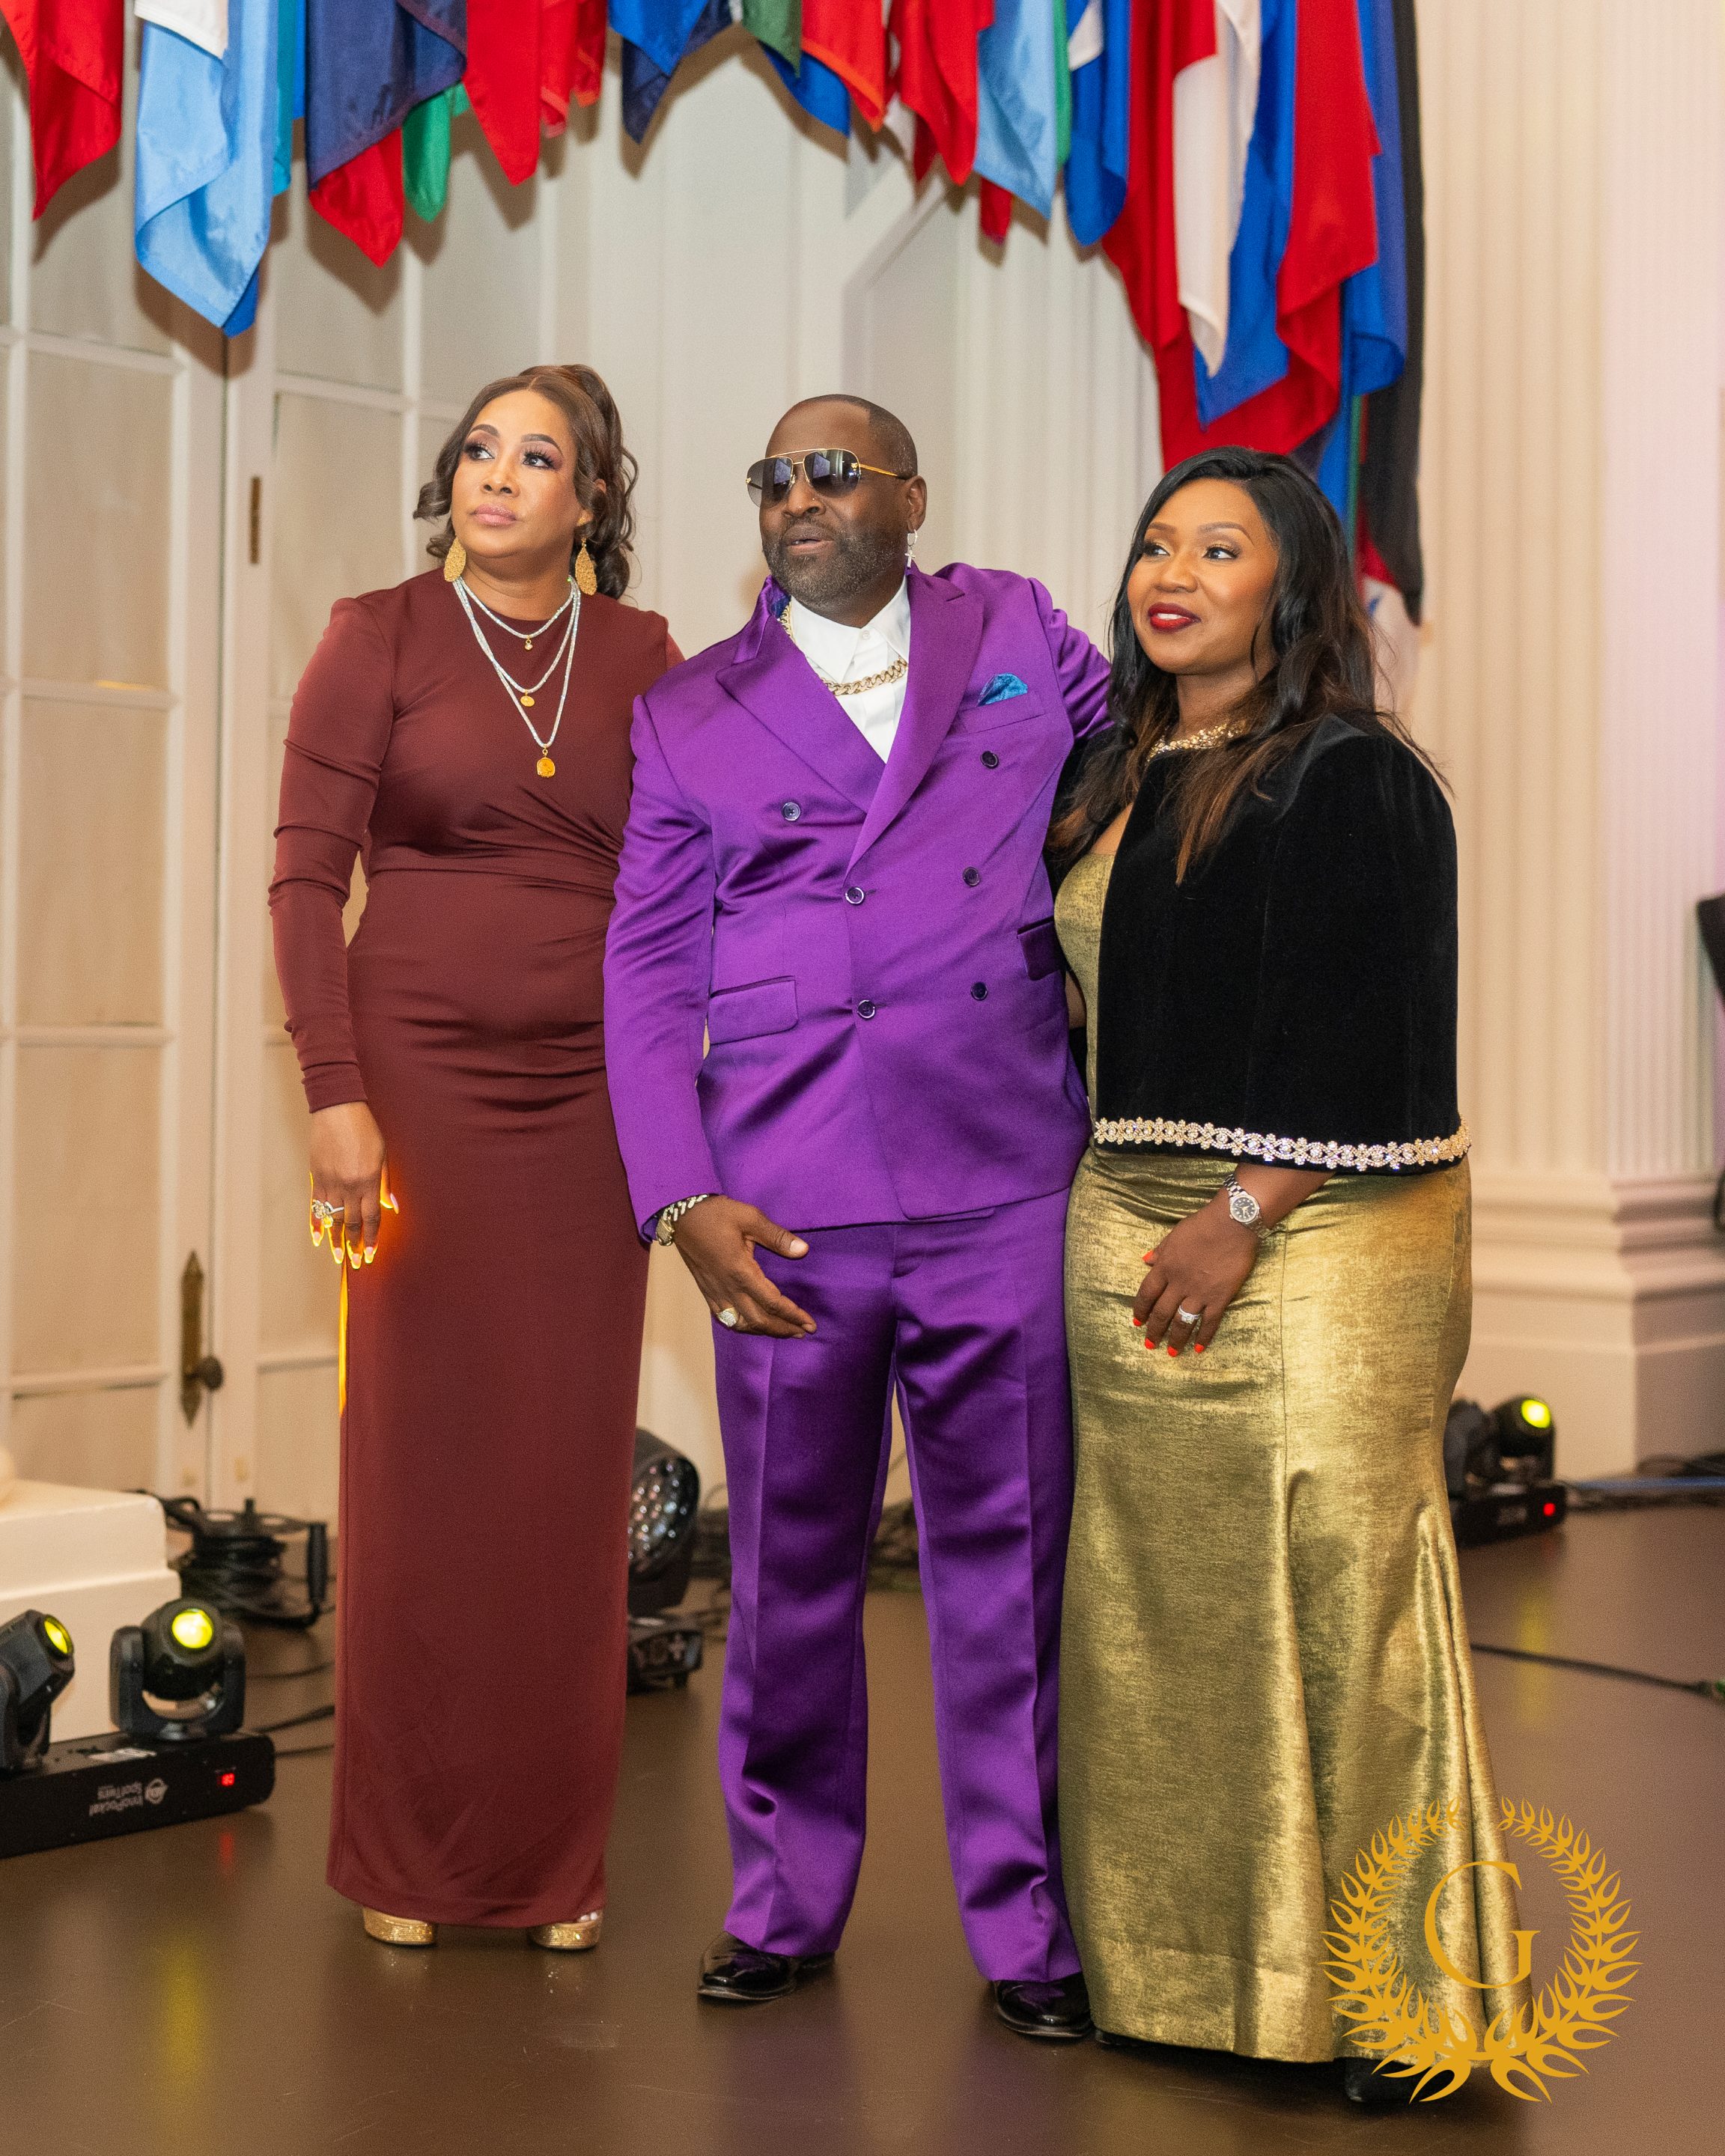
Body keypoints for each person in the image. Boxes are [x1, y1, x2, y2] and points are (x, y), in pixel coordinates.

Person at [603, 397, 1110, 2038]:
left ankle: (1028, 1924)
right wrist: (682, 1195)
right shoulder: (689, 710)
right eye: (773, 478)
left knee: (1008, 1573)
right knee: (790, 1573)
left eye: (833, 471)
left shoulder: (1017, 630)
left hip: (1003, 1168)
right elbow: (646, 971)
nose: (798, 496)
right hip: (784, 1200)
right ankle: (781, 1903)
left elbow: (1140, 775)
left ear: (911, 496)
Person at [1050, 448, 1526, 2101]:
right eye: (1155, 544)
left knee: (1344, 1582)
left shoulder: (1357, 775)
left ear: (1293, 586)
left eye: (1219, 549)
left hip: (1329, 1222)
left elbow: (1378, 1038)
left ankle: (1404, 2001)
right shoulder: (1112, 772)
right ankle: (1196, 1979)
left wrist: (1242, 1211)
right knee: (1160, 1601)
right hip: (1129, 1218)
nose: (1171, 574)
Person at [270, 365, 677, 1950]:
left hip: (594, 1104)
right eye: (480, 450)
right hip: (416, 1091)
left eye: (538, 457)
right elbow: (305, 884)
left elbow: (696, 883)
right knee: (423, 1465)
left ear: (591, 499)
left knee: (564, 1475)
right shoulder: (374, 636)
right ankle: (409, 1862)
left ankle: (552, 1868)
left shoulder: (645, 657)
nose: (498, 475)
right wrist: (335, 1094)